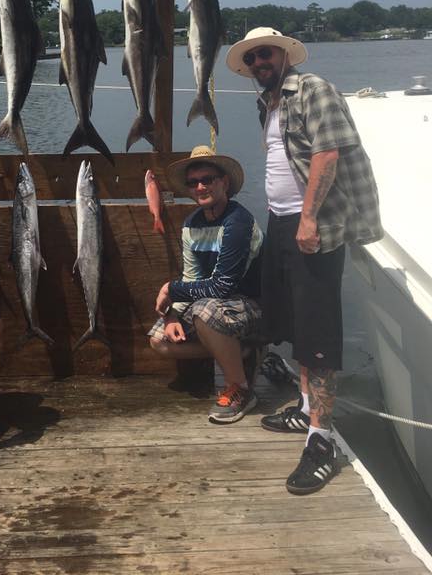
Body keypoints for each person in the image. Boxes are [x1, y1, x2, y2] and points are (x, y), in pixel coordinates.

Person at [226, 27, 382, 495]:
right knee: (293, 322)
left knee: (318, 335)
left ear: (284, 55)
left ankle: (322, 439)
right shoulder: (269, 102)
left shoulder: (313, 89)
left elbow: (327, 154)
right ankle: (304, 407)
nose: (259, 63)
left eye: (266, 54)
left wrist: (309, 218)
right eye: (252, 58)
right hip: (280, 223)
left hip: (312, 225)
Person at [149, 145, 264, 424]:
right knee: (159, 340)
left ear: (224, 182)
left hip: (251, 305)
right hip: (214, 305)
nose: (200, 187)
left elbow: (222, 286)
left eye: (207, 179)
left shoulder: (239, 221)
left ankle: (240, 389)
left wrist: (170, 289)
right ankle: (244, 351)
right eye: (193, 182)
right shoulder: (191, 225)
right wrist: (173, 314)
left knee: (204, 311)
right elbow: (192, 277)